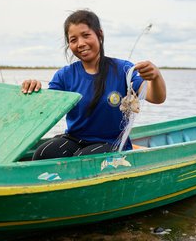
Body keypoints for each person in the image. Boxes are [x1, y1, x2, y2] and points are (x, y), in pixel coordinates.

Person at [22, 10, 166, 160]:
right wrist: (34, 90)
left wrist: (155, 77)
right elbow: (46, 108)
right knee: (43, 153)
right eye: (73, 39)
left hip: (111, 143)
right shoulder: (64, 75)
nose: (81, 43)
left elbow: (156, 97)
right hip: (74, 139)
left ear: (99, 34)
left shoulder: (123, 70)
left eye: (86, 35)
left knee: (84, 159)